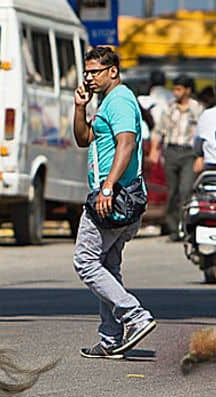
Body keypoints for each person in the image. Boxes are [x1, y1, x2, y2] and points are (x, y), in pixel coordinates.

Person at [72, 46, 156, 359]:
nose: (90, 78)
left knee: (85, 262)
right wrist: (80, 108)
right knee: (108, 265)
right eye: (87, 72)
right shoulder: (106, 102)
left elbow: (127, 142)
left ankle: (136, 317)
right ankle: (110, 339)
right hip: (115, 195)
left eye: (95, 72)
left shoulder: (120, 99)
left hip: (114, 197)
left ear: (113, 72)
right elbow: (84, 139)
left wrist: (107, 187)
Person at [150, 74, 204, 241]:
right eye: (174, 89)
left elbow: (203, 135)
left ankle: (186, 226)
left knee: (186, 189)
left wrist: (200, 157)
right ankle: (174, 228)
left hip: (189, 154)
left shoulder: (198, 109)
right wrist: (154, 149)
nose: (176, 92)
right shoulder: (170, 108)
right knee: (172, 191)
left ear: (188, 90)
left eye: (179, 89)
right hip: (172, 152)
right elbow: (159, 130)